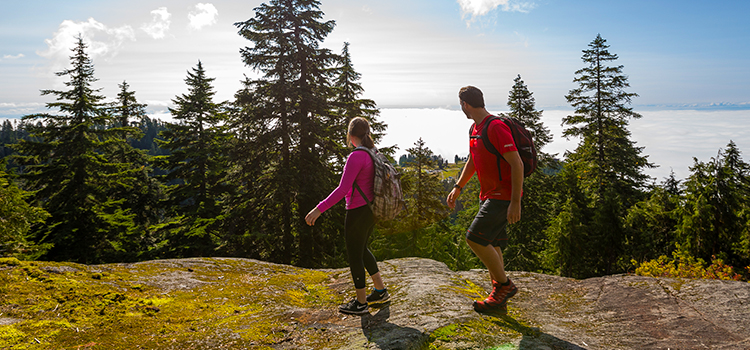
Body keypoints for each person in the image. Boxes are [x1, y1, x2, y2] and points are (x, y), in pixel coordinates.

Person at [447, 86, 523, 315]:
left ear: (465, 105)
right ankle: (498, 297)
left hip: (502, 197)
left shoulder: (496, 127)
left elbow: (517, 164)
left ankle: (504, 285)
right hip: (488, 195)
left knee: (474, 238)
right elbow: (473, 159)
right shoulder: (475, 129)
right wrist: (458, 186)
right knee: (495, 244)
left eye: (461, 104)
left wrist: (515, 202)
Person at [305, 117, 389, 315]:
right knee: (362, 249)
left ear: (351, 136)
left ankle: (361, 303)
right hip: (371, 210)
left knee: (354, 256)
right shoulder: (373, 152)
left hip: (357, 211)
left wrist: (318, 209)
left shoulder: (356, 156)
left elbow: (343, 189)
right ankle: (380, 290)